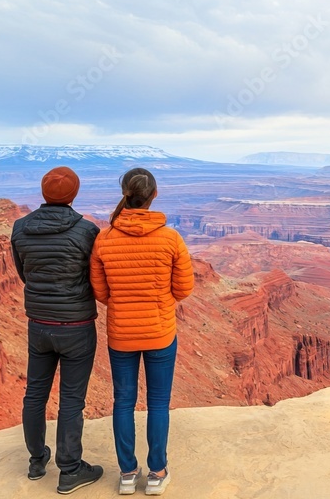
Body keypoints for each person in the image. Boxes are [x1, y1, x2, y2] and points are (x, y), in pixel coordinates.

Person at [90, 167, 194, 496]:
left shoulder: (104, 238)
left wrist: (124, 302)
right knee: (158, 403)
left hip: (121, 333)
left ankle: (126, 474)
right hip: (160, 332)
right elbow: (184, 288)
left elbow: (101, 292)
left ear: (125, 194)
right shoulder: (170, 238)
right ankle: (157, 473)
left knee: (123, 402)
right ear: (154, 195)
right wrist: (158, 300)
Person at [11, 166, 104, 494]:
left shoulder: (20, 228)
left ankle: (37, 461)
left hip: (39, 324)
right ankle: (70, 470)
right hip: (77, 327)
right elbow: (95, 278)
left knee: (34, 393)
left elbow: (25, 273)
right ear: (74, 194)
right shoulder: (86, 231)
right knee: (71, 399)